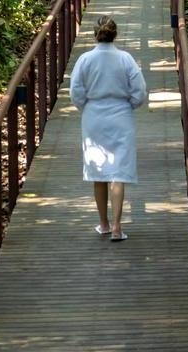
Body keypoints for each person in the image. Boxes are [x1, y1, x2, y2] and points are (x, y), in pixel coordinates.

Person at [69, 16, 147, 242]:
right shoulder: (125, 59)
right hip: (121, 116)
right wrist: (130, 104)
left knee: (99, 172)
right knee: (118, 172)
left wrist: (87, 106)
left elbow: (76, 91)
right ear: (116, 34)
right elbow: (139, 90)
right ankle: (117, 226)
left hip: (93, 117)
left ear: (95, 34)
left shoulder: (85, 59)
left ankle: (103, 223)